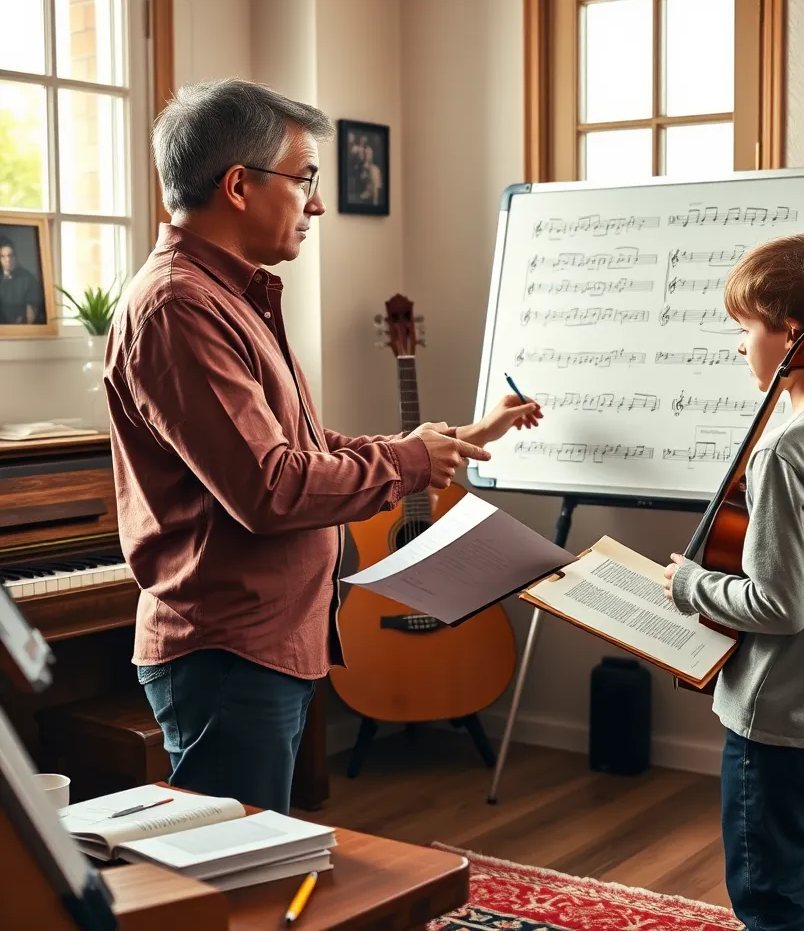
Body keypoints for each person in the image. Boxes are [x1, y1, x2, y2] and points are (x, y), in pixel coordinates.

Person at [103, 78, 542, 814]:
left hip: (266, 638)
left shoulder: (230, 296)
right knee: (229, 880)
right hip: (228, 647)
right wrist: (409, 461)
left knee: (254, 861)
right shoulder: (181, 306)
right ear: (239, 185)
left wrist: (458, 438)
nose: (317, 203)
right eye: (305, 179)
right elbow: (272, 488)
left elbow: (304, 446)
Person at [662, 234, 804, 931]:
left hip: (786, 723)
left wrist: (689, 585)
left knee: (768, 894)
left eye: (746, 328)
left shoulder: (789, 452)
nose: (740, 346)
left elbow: (777, 604)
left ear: (794, 332)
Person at [0, 236, 45, 324]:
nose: (7, 260)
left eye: (10, 255)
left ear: (15, 256)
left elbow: (31, 313)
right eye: (3, 256)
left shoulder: (28, 279)